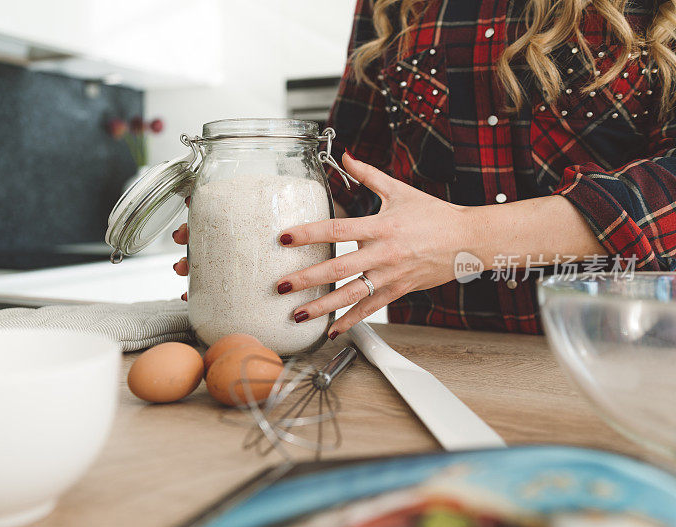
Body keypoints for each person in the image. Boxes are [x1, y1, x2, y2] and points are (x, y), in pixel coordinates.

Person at [175, 0, 676, 338]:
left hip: (628, 351)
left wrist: (466, 238)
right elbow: (351, 163)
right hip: (430, 356)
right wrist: (256, 229)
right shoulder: (387, 6)